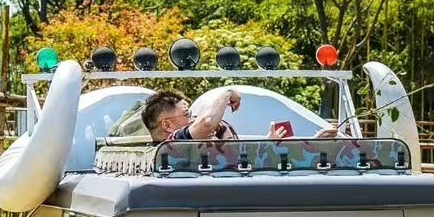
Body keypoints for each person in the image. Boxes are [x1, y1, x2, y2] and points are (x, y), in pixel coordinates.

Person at [144, 88, 338, 144]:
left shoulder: (188, 149)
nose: (192, 120)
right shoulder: (171, 145)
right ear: (167, 125)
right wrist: (228, 93)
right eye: (187, 115)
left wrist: (314, 141)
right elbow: (207, 122)